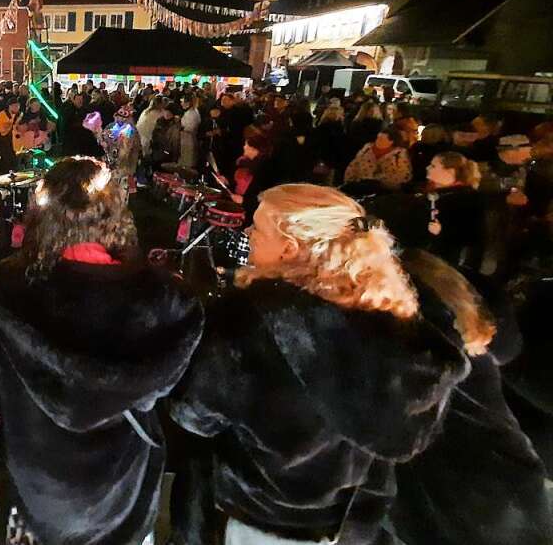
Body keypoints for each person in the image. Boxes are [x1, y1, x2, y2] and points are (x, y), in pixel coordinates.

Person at [170, 184, 468, 545]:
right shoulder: (398, 320)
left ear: (289, 249)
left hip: (262, 515)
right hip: (352, 521)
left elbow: (194, 416)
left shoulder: (250, 322)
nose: (248, 233)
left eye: (258, 228)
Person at [0, 157, 203, 545]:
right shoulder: (163, 299)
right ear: (113, 211)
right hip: (121, 491)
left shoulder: (9, 287)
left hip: (40, 484)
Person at [390, 249, 553, 545]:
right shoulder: (466, 319)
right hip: (501, 482)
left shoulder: (377, 330)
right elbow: (508, 350)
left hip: (421, 496)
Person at [423, 152, 487, 269]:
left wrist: (441, 232)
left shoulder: (465, 198)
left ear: (450, 172)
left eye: (433, 166)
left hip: (450, 265)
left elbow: (468, 234)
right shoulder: (437, 194)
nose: (428, 168)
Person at [344, 126, 412, 192]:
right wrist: (350, 181)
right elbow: (354, 164)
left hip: (384, 189)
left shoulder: (399, 154)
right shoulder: (367, 149)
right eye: (378, 138)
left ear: (391, 142)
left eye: (381, 139)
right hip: (361, 186)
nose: (377, 141)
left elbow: (403, 174)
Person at [0, 99, 21, 170]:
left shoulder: (20, 115)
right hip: (5, 141)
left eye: (18, 106)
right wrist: (7, 126)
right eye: (15, 106)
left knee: (15, 160)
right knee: (6, 161)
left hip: (16, 141)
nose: (16, 107)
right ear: (9, 106)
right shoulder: (3, 114)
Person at [179, 95, 201, 169]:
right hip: (187, 140)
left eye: (182, 102)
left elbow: (190, 128)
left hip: (189, 140)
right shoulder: (192, 112)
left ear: (188, 103)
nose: (181, 104)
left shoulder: (191, 113)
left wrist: (180, 127)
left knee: (188, 162)